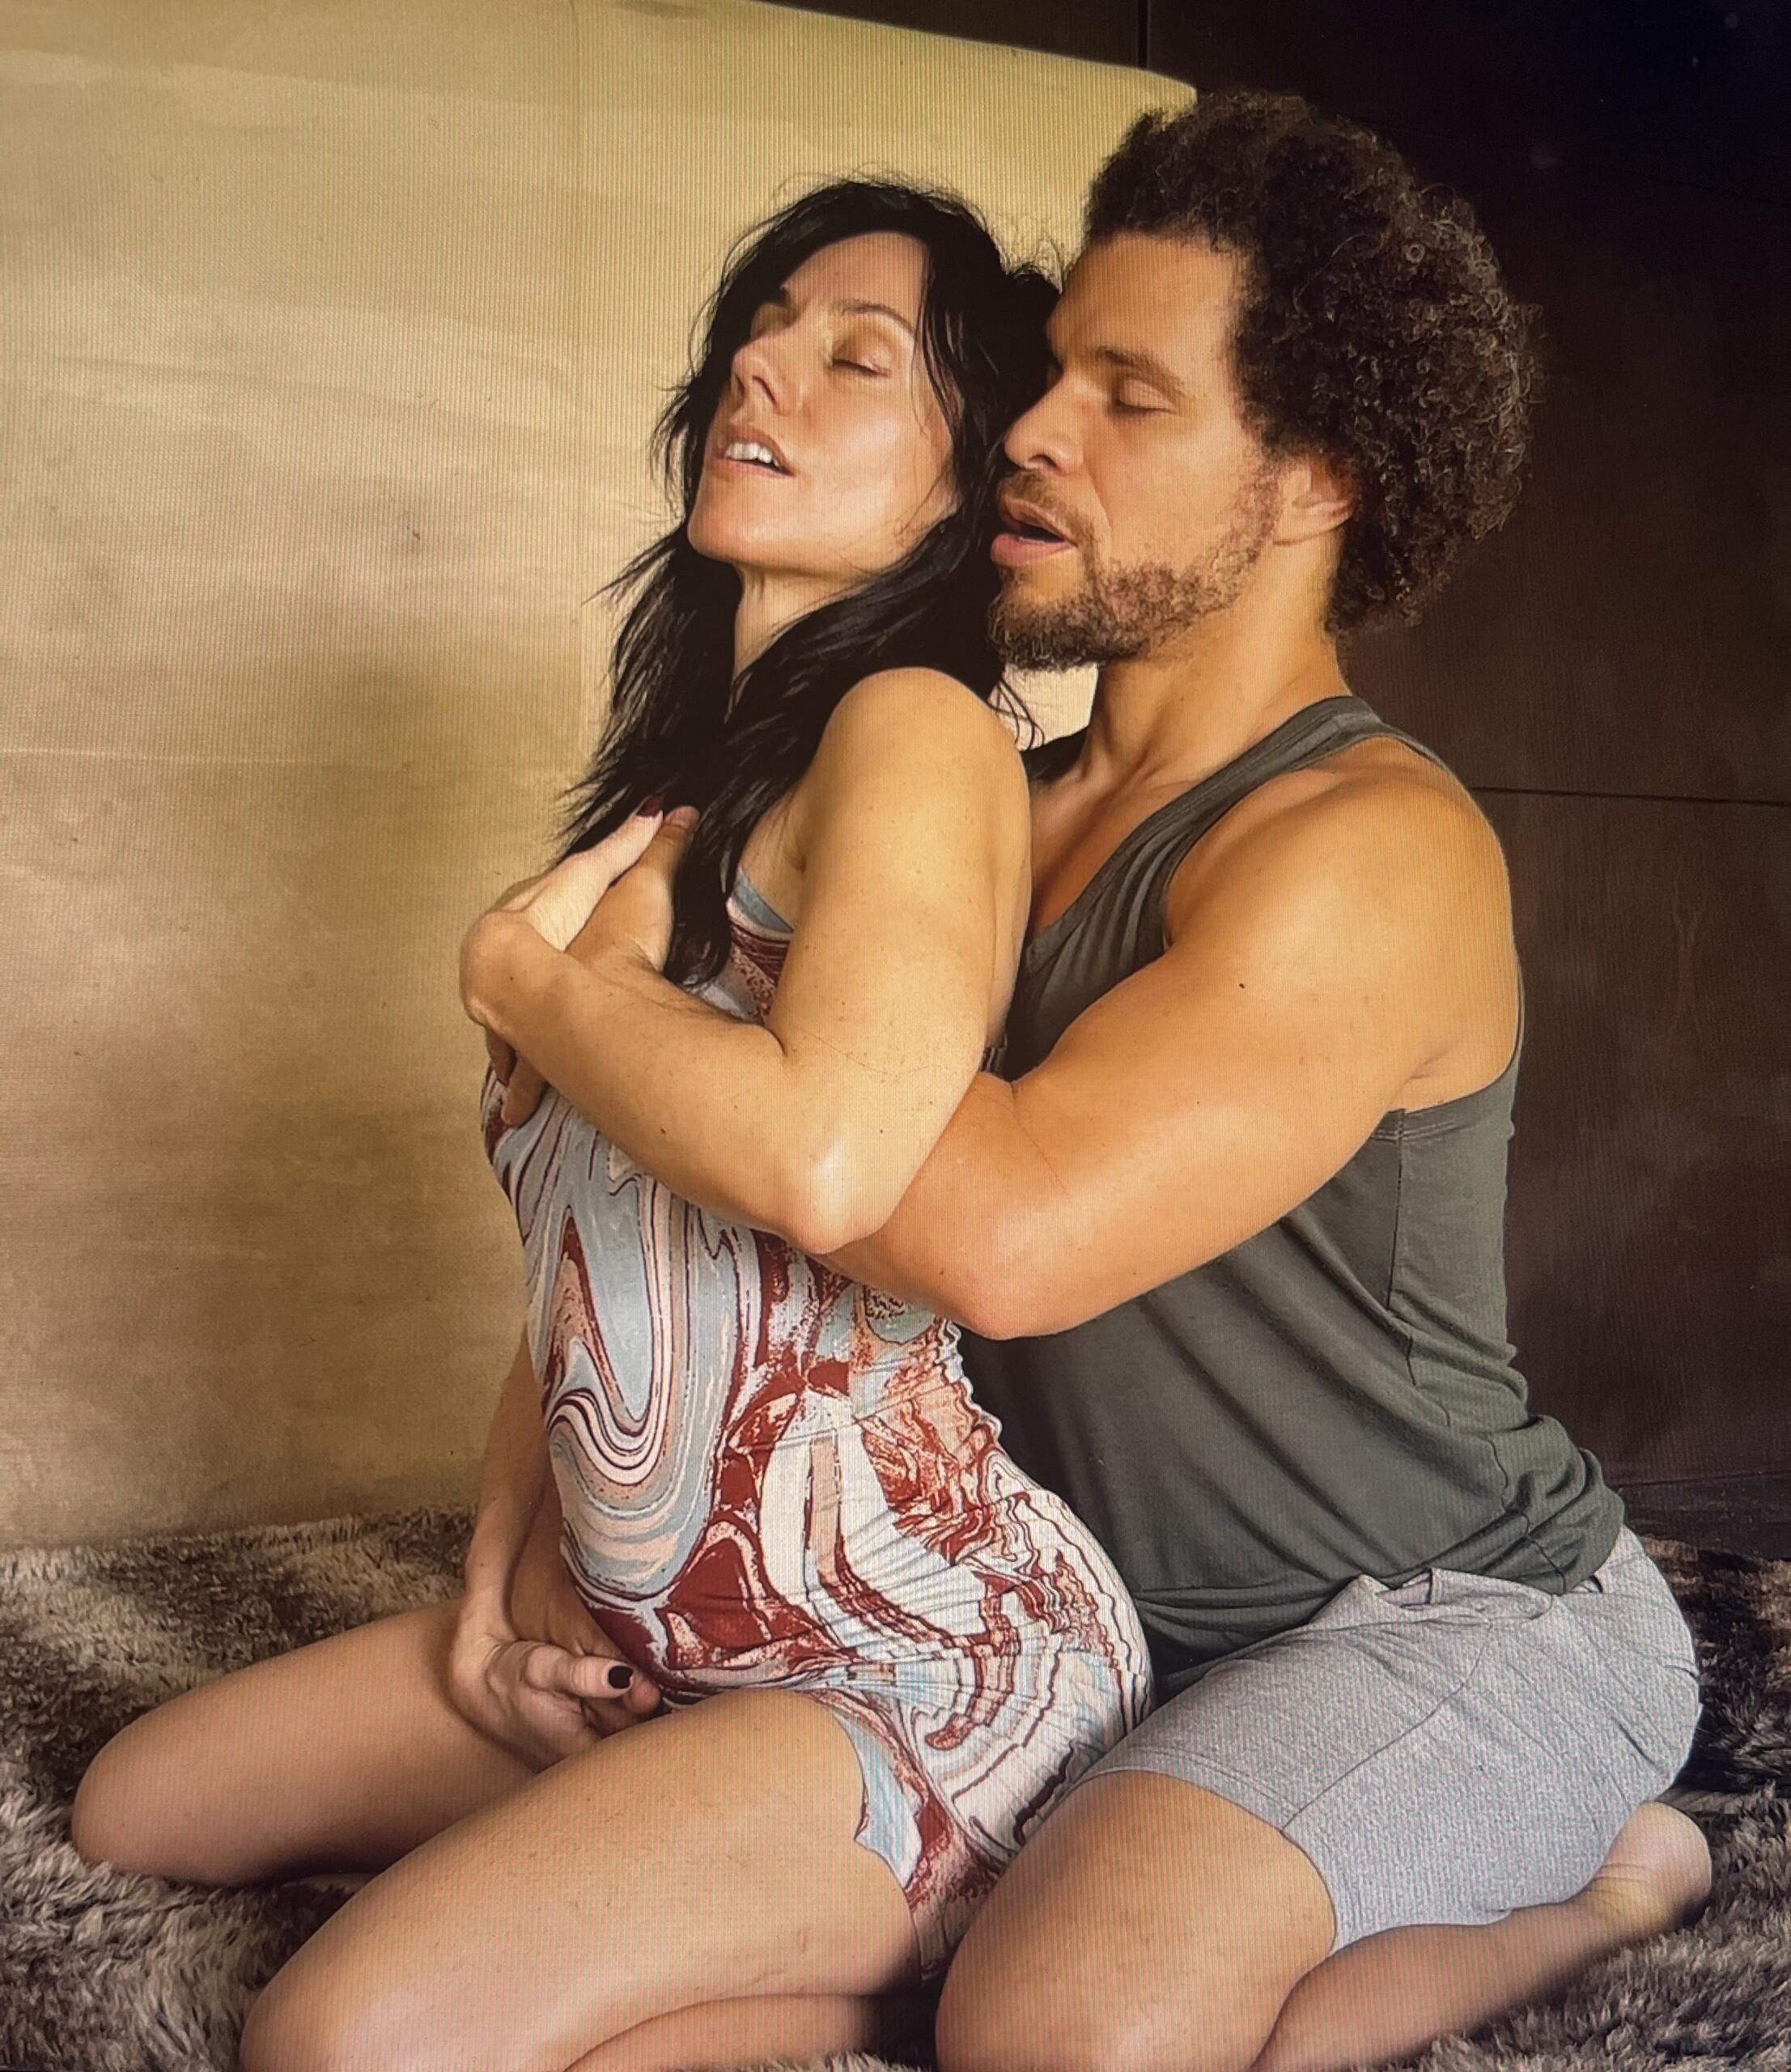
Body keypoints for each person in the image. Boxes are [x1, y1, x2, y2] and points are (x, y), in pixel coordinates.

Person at [486, 91, 1713, 2072]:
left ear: (1310, 480)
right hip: (1073, 1613)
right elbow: (693, 1192)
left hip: (1431, 1613)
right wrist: (553, 1511)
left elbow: (992, 1233)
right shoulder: (987, 788)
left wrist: (561, 996)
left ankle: (1611, 1888)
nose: (1035, 430)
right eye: (1052, 375)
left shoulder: (1367, 849)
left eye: (1128, 399)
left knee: (1056, 2028)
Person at [67, 179, 1153, 2072]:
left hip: (915, 1656)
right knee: (135, 1805)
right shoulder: (685, 801)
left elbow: (824, 1157)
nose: (764, 365)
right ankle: (778, 1932)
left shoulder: (916, 728)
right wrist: (498, 1581)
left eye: (857, 358)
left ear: (956, 481)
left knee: (339, 2037)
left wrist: (525, 977)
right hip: (670, 1649)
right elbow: (591, 1267)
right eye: (765, 325)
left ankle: (928, 1935)